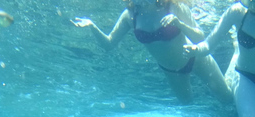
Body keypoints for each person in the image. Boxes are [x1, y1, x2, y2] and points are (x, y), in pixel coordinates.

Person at [72, 0, 231, 104]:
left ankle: (234, 67)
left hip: (197, 58)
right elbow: (109, 44)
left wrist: (179, 24)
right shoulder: (130, 15)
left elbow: (200, 37)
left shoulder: (173, 6)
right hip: (171, 70)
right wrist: (92, 26)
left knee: (227, 98)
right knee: (186, 102)